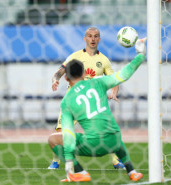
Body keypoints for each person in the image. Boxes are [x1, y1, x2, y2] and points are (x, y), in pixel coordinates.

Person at [48, 38, 147, 182]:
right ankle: (132, 170)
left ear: (66, 79)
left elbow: (68, 134)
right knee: (111, 130)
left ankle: (79, 172)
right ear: (84, 74)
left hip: (94, 145)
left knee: (53, 139)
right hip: (115, 140)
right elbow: (124, 74)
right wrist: (140, 54)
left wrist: (69, 163)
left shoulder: (66, 101)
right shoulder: (98, 82)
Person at [48, 27, 123, 170]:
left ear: (99, 39)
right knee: (61, 130)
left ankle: (115, 160)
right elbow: (59, 72)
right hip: (73, 100)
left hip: (92, 102)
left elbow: (114, 80)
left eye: (96, 36)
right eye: (89, 36)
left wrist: (114, 92)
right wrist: (55, 80)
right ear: (85, 38)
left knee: (105, 130)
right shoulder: (75, 56)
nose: (93, 39)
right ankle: (55, 161)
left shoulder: (104, 60)